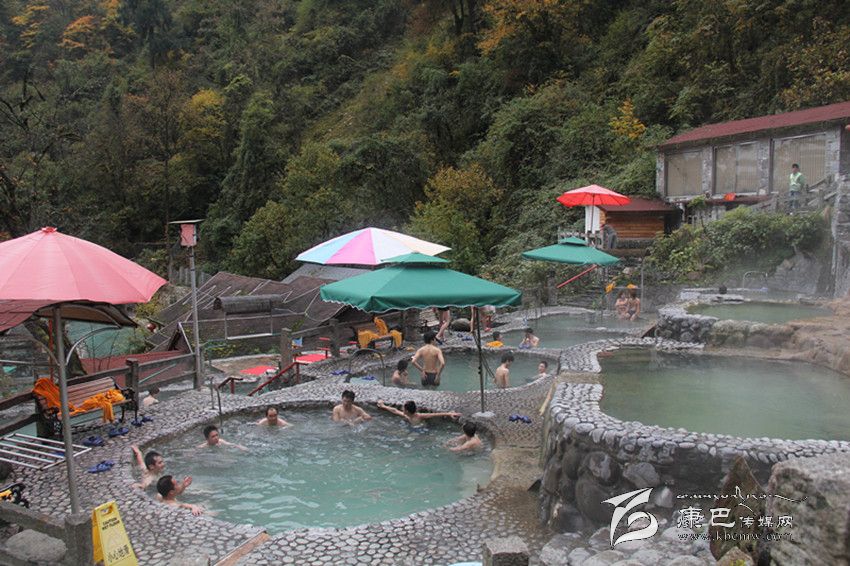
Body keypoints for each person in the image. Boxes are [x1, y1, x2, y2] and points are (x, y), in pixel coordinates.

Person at [376, 400, 460, 427]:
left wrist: (449, 414)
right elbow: (395, 411)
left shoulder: (419, 416)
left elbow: (433, 414)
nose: (402, 409)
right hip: (413, 428)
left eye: (403, 408)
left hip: (421, 430)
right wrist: (383, 406)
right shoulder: (407, 415)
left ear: (407, 411)